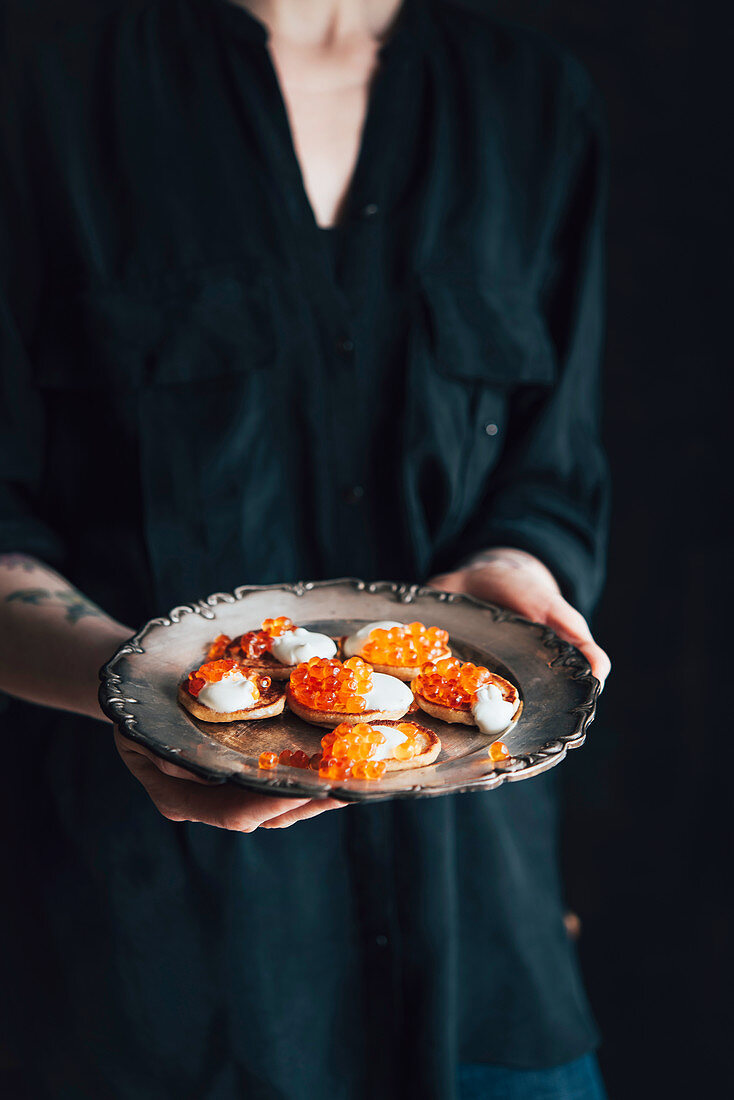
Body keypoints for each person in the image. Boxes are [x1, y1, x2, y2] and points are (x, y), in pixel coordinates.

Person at [0, 1, 611, 1096]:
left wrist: (509, 575)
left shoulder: (528, 100)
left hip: (485, 951)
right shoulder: (36, 82)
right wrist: (147, 694)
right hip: (152, 969)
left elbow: (548, 471)